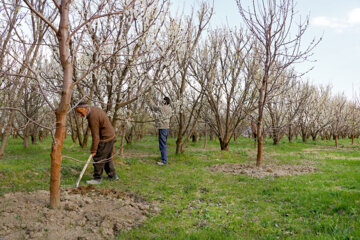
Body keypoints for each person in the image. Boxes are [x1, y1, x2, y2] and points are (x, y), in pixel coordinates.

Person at [75, 102, 118, 184]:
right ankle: (113, 176)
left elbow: (96, 136)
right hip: (111, 136)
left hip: (105, 138)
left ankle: (97, 179)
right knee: (107, 158)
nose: (80, 115)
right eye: (78, 113)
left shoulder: (92, 117)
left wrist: (94, 150)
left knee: (98, 158)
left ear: (85, 108)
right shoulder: (93, 109)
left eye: (80, 112)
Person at [148, 96, 172, 165]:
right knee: (164, 144)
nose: (161, 102)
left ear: (164, 102)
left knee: (162, 145)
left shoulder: (162, 108)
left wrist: (151, 101)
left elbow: (154, 108)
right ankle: (164, 159)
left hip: (162, 128)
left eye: (163, 101)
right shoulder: (170, 108)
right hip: (167, 128)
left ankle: (164, 161)